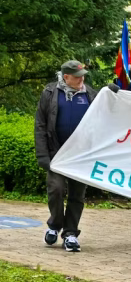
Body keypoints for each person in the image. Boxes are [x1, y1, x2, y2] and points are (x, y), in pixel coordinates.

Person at [35, 61, 99, 252]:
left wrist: (112, 94)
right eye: (77, 76)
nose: (82, 79)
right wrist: (42, 155)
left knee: (77, 195)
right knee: (55, 189)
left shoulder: (91, 95)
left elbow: (108, 113)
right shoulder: (50, 93)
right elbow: (40, 125)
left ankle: (70, 233)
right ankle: (55, 225)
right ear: (66, 77)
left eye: (83, 75)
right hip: (57, 154)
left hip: (80, 156)